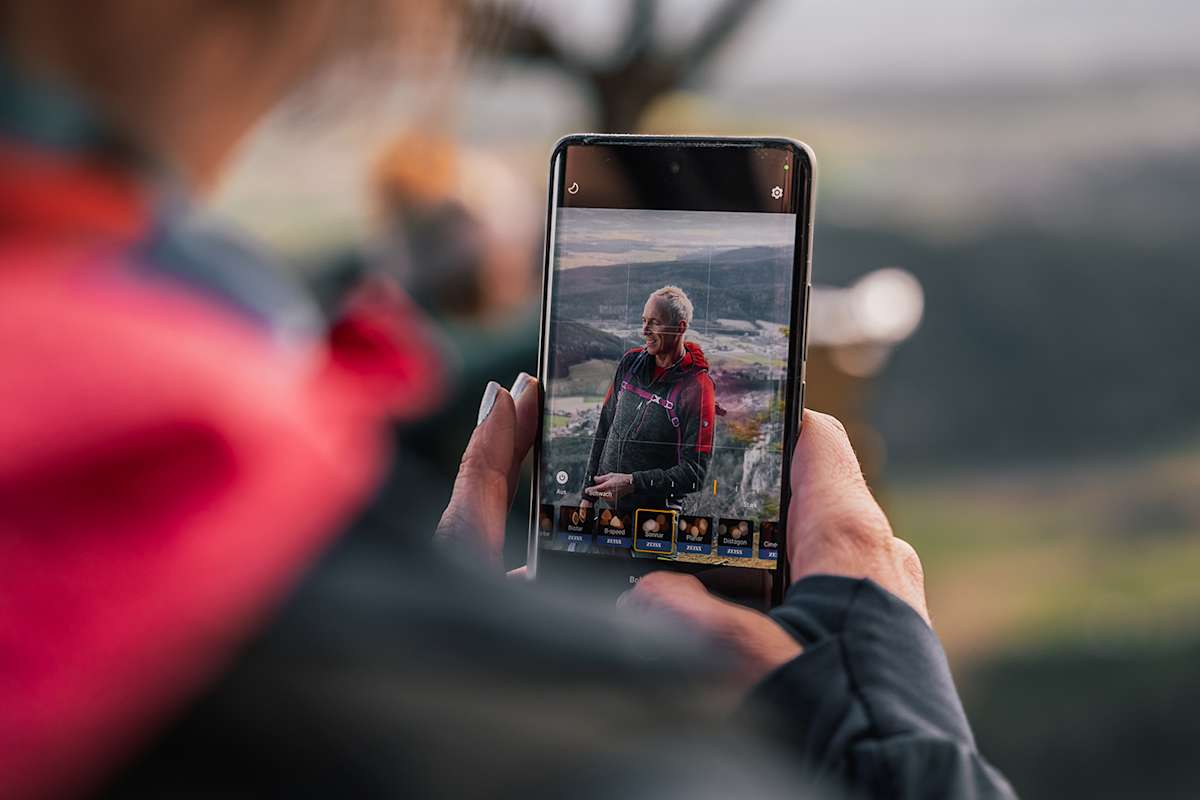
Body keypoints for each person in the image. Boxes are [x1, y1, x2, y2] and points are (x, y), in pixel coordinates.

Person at [0, 3, 1016, 799]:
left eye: (658, 330)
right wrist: (901, 758)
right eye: (647, 330)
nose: (648, 340)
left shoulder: (685, 385)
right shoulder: (573, 757)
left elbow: (690, 465)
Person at [581, 286, 717, 515]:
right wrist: (587, 493)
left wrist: (633, 482)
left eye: (654, 322)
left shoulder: (698, 388)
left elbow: (695, 474)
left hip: (654, 523)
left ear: (680, 327)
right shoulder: (630, 363)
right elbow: (604, 426)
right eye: (644, 320)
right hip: (606, 511)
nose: (644, 330)